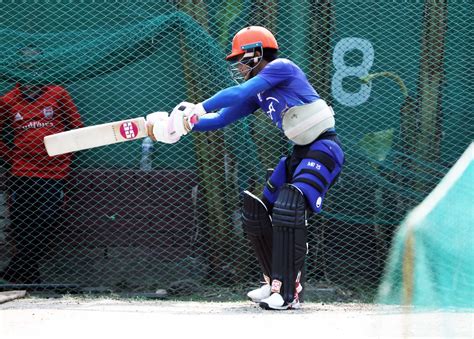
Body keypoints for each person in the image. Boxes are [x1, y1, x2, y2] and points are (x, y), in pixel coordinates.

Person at [146, 26, 344, 310]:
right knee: (259, 213)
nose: (237, 65)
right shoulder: (258, 96)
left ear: (256, 54)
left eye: (240, 58)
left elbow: (239, 92)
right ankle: (273, 283)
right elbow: (220, 120)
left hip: (324, 148)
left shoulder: (282, 68)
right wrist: (178, 126)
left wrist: (197, 108)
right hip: (299, 153)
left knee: (290, 207)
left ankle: (289, 294)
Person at [0, 46, 84, 284]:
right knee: (22, 220)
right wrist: (11, 155)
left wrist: (63, 155)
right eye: (26, 66)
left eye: (36, 65)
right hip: (22, 171)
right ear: (19, 70)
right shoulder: (8, 100)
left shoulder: (57, 94)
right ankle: (29, 272)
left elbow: (77, 128)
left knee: (48, 217)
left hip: (54, 172)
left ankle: (18, 267)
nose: (31, 69)